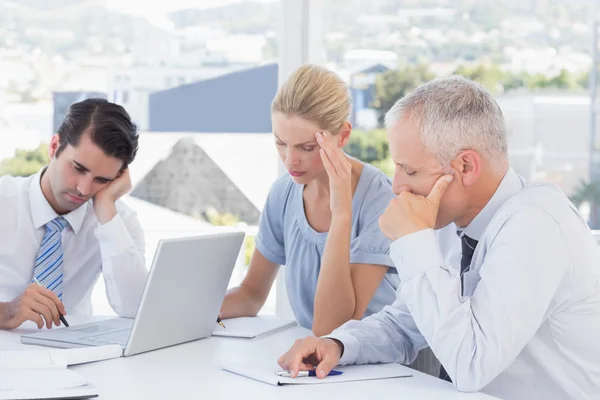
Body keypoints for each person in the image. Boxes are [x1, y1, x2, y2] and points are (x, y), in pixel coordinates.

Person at [277, 76, 600, 399]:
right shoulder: (451, 220)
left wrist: (412, 240)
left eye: (410, 171)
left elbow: (470, 365)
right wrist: (338, 344)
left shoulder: (536, 225)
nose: (397, 186)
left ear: (465, 166)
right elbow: (404, 324)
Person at [220, 64, 399, 336]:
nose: (290, 160)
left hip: (386, 367)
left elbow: (333, 327)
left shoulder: (381, 201)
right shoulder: (283, 194)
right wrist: (191, 314)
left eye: (306, 147)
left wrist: (341, 214)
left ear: (344, 135)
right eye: (281, 143)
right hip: (320, 363)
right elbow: (251, 294)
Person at [0, 98, 148, 330]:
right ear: (53, 147)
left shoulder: (119, 221)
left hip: (74, 357)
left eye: (102, 180)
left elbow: (135, 308)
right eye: (78, 168)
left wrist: (106, 208)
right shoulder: (4, 201)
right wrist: (5, 312)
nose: (84, 189)